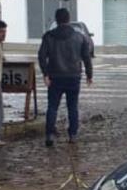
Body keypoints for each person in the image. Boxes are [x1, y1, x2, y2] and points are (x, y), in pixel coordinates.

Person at [38, 8, 93, 147]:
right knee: (72, 106)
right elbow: (87, 57)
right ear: (68, 20)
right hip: (73, 76)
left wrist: (45, 74)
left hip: (55, 76)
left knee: (52, 106)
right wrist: (89, 74)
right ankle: (72, 134)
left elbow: (41, 56)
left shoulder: (48, 36)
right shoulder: (79, 37)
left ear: (56, 20)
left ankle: (50, 134)